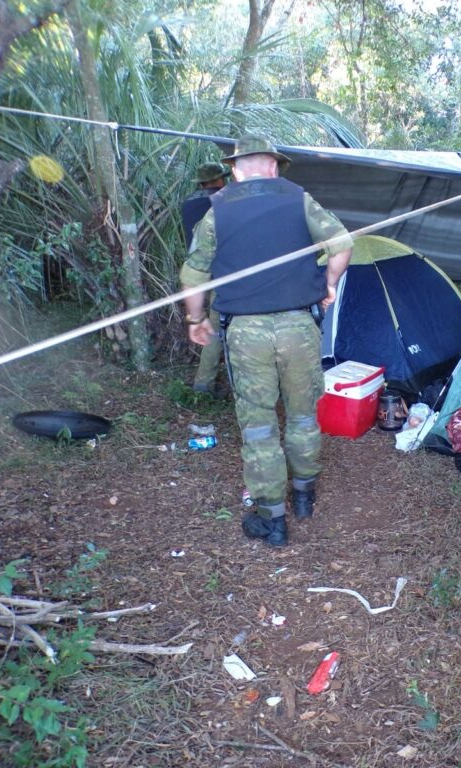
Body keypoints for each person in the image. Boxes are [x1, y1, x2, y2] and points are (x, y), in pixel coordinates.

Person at [179, 135, 352, 547]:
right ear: (273, 166)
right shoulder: (299, 199)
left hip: (246, 333)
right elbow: (343, 244)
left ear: (236, 170)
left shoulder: (216, 210)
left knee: (259, 429)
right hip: (299, 328)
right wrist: (328, 285)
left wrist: (196, 318)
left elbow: (193, 275)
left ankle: (272, 520)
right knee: (303, 416)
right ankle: (305, 496)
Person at [181, 161, 231, 395]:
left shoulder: (188, 204)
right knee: (220, 327)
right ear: (220, 180)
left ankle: (204, 383)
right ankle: (204, 386)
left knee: (210, 325)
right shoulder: (224, 202)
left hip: (197, 274)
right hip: (224, 273)